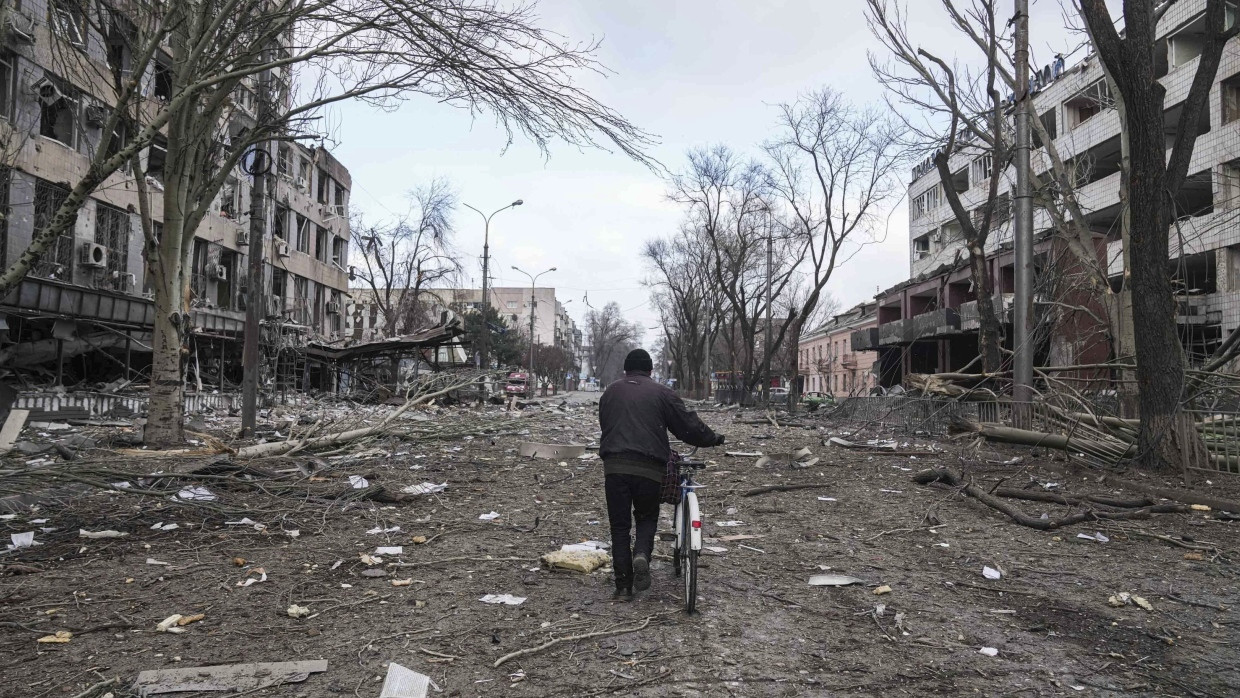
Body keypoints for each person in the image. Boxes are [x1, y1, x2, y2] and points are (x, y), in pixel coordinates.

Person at [598, 348, 724, 600]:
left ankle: (623, 587)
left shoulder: (610, 392)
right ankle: (642, 554)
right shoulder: (662, 393)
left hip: (615, 467)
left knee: (619, 526)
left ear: (625, 369)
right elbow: (687, 426)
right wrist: (713, 439)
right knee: (646, 516)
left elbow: (606, 424)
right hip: (649, 467)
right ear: (650, 370)